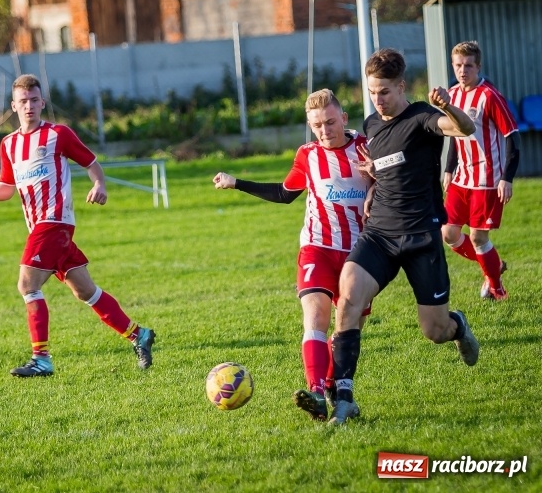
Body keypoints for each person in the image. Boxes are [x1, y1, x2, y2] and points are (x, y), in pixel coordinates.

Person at [329, 48, 481, 426]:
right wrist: (370, 181)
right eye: (371, 92)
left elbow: (465, 129)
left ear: (401, 86)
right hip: (379, 234)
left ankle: (457, 325)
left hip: (420, 236)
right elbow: (386, 164)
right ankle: (343, 397)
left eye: (384, 92)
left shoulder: (424, 119)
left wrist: (448, 108)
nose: (377, 99)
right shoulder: (371, 125)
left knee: (434, 330)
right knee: (348, 297)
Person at [0, 74, 156, 377]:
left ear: (42, 102)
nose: (29, 106)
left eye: (34, 100)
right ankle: (139, 335)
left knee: (27, 284)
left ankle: (42, 359)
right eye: (23, 101)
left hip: (55, 221)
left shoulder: (57, 134)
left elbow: (91, 163)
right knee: (85, 290)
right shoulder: (8, 144)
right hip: (40, 226)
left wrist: (99, 184)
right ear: (13, 106)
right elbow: (8, 186)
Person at [213, 89, 372, 421]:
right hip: (316, 247)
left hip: (360, 254)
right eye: (316, 125)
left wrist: (375, 188)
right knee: (315, 316)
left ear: (343, 118)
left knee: (346, 326)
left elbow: (391, 182)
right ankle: (316, 392)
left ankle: (332, 384)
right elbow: (286, 194)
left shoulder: (367, 147)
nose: (324, 130)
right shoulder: (307, 155)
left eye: (330, 122)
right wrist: (236, 182)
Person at [441, 41, 520, 301]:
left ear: (478, 66)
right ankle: (493, 266)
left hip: (487, 179)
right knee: (448, 233)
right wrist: (449, 168)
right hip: (461, 178)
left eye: (468, 66)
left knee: (477, 236)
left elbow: (512, 135)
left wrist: (506, 177)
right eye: (458, 65)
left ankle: (497, 288)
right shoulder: (452, 94)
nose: (463, 70)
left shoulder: (489, 95)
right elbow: (454, 135)